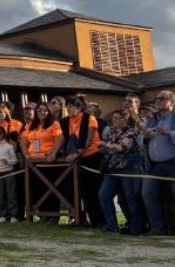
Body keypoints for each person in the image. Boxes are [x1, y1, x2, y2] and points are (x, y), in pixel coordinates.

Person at [142, 90, 175, 236]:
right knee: (148, 194)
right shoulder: (152, 120)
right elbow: (141, 141)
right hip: (153, 166)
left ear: (171, 102)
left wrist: (169, 133)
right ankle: (158, 228)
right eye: (156, 99)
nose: (157, 101)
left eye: (162, 98)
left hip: (174, 164)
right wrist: (145, 137)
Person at [97, 110, 145, 234]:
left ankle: (136, 227)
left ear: (124, 119)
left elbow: (122, 147)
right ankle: (111, 225)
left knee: (131, 198)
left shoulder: (131, 132)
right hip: (113, 168)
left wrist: (106, 145)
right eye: (113, 118)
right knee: (104, 194)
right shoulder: (112, 132)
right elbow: (107, 148)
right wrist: (106, 146)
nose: (114, 120)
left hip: (128, 168)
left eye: (117, 118)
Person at [61, 97, 103, 227]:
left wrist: (76, 153)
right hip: (78, 159)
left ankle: (102, 221)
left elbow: (89, 139)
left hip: (92, 156)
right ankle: (88, 220)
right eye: (67, 106)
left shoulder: (89, 118)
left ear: (79, 108)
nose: (69, 108)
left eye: (72, 106)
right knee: (84, 192)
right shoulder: (65, 121)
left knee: (95, 190)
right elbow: (62, 139)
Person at [22, 103, 63, 220]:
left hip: (48, 161)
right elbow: (24, 142)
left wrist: (53, 154)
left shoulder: (54, 124)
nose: (42, 112)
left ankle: (53, 216)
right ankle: (43, 214)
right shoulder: (32, 125)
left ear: (49, 112)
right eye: (39, 110)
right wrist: (26, 155)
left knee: (50, 189)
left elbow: (59, 139)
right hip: (34, 161)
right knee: (37, 188)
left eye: (45, 110)